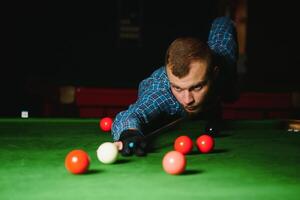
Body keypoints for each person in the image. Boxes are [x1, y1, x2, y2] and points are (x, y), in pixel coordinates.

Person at [111, 16, 239, 156]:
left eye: (197, 87)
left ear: (214, 74)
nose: (187, 99)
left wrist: (229, 86)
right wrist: (129, 132)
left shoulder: (224, 56)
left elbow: (223, 23)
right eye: (178, 88)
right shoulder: (161, 93)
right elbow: (129, 115)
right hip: (164, 116)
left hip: (211, 102)